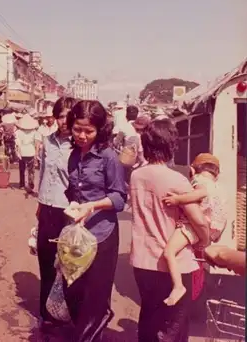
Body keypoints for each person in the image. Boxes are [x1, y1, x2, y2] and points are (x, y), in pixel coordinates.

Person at [130, 119, 210, 342]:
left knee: (148, 317)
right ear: (172, 145)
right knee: (173, 327)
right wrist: (203, 241)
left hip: (142, 260)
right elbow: (200, 221)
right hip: (173, 262)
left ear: (145, 145)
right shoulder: (177, 179)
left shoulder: (136, 176)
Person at [64, 100, 127, 341]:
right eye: (77, 129)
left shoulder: (108, 156)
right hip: (76, 234)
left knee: (95, 297)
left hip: (102, 234)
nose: (82, 135)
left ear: (99, 130)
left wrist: (91, 206)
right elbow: (73, 192)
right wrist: (72, 206)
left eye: (88, 131)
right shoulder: (73, 155)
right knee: (73, 290)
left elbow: (119, 199)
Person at [161, 153, 226, 305]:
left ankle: (178, 286)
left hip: (197, 224)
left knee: (169, 252)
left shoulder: (199, 179)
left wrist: (178, 199)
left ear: (192, 170)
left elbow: (201, 193)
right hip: (215, 228)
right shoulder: (220, 188)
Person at [35, 96, 76, 329]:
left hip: (67, 211)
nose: (63, 121)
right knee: (45, 260)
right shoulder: (48, 141)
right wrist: (39, 204)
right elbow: (42, 173)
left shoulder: (78, 146)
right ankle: (45, 312)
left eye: (68, 116)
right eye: (60, 116)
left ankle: (66, 313)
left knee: (67, 264)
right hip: (47, 208)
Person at [15, 114, 40, 191]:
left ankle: (22, 184)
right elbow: (37, 144)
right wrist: (36, 153)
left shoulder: (18, 132)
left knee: (22, 169)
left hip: (22, 152)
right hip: (31, 152)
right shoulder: (35, 132)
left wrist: (17, 152)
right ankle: (30, 184)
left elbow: (17, 144)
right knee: (31, 170)